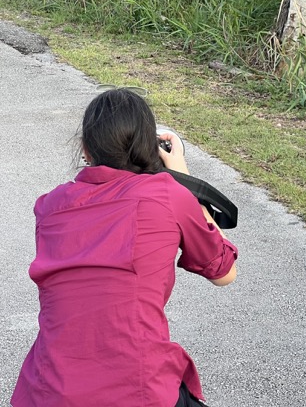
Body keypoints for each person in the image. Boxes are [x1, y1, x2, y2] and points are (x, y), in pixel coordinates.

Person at [11, 88, 238, 407]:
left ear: (85, 150)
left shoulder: (49, 207)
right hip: (137, 390)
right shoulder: (168, 196)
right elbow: (224, 272)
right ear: (149, 148)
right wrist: (182, 176)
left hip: (47, 391)